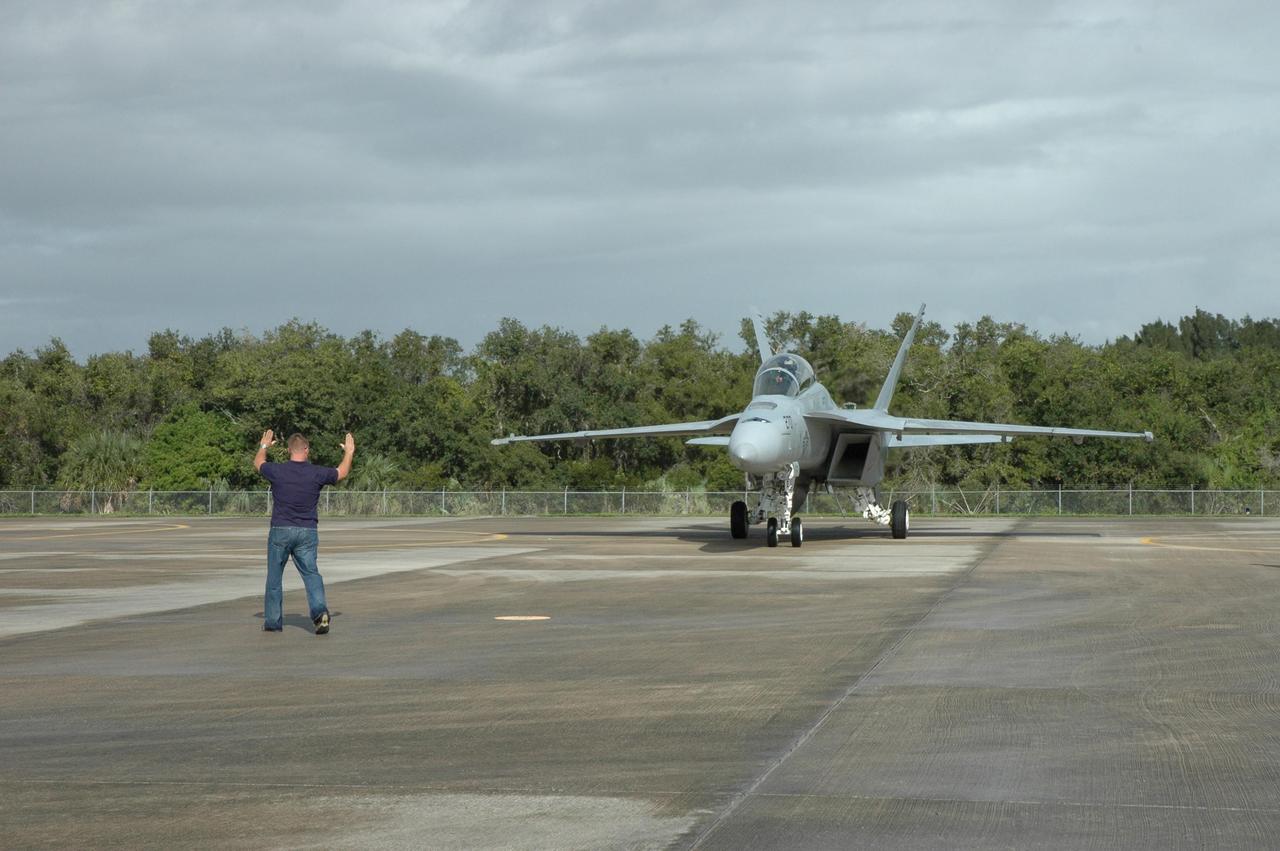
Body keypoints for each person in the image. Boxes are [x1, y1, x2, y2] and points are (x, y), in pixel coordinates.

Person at [254, 429, 355, 635]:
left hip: (280, 530)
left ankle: (273, 621)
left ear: (289, 450)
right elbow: (341, 472)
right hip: (307, 531)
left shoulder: (277, 471)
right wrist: (349, 452)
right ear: (306, 450)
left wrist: (264, 446)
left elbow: (258, 464)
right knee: (311, 574)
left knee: (274, 576)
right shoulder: (316, 473)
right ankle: (319, 612)